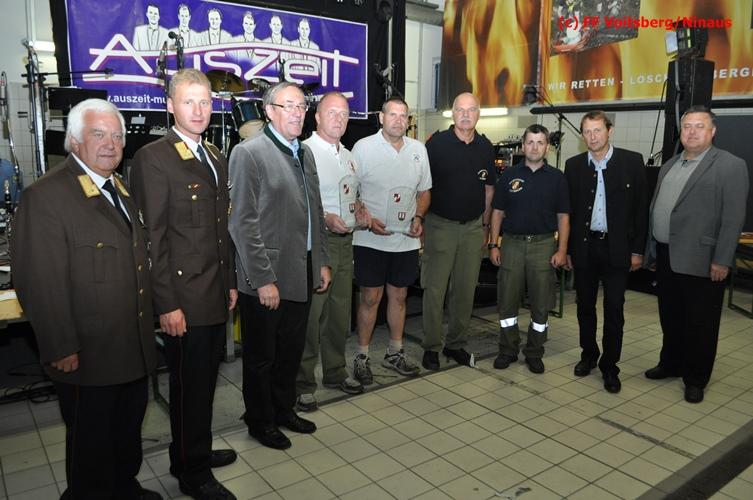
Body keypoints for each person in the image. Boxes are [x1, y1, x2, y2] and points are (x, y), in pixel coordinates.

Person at [11, 99, 161, 500]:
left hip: (130, 344)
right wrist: (60, 344)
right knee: (91, 443)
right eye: (98, 134)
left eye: (117, 136)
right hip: (87, 352)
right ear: (74, 141)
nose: (111, 144)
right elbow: (38, 280)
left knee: (126, 429)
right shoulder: (47, 196)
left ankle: (124, 488)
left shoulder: (118, 186)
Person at [130, 69, 237, 500]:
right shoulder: (154, 158)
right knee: (189, 388)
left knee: (205, 383)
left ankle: (193, 451)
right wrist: (166, 304)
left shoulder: (214, 154)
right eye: (189, 101)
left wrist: (230, 281)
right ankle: (193, 473)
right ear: (170, 105)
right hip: (184, 299)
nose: (198, 110)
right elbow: (152, 239)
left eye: (205, 101)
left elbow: (220, 231)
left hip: (214, 290)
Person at [228, 82, 331, 450]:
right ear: (269, 111)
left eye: (302, 106)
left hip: (301, 269)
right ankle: (260, 420)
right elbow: (242, 223)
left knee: (290, 349)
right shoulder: (249, 153)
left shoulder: (304, 152)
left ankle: (283, 409)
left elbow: (315, 210)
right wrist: (262, 279)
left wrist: (321, 261)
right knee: (261, 356)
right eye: (289, 106)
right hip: (266, 276)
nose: (298, 113)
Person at [644, 105, 749, 403]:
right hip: (666, 255)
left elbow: (733, 218)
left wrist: (722, 259)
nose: (691, 132)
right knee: (671, 316)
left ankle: (695, 378)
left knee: (701, 323)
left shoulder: (730, 165)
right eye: (687, 126)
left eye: (699, 126)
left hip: (703, 259)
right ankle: (671, 363)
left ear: (712, 131)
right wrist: (651, 249)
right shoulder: (671, 164)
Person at [564, 110, 647, 394]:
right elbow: (571, 213)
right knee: (584, 306)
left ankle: (610, 366)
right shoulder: (574, 165)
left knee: (614, 308)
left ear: (609, 131)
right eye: (587, 132)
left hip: (617, 249)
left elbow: (641, 210)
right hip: (585, 248)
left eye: (597, 130)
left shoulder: (631, 162)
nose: (592, 136)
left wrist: (637, 251)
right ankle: (589, 354)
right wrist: (569, 250)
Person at [350, 97, 432, 385]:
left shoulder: (418, 150)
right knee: (370, 297)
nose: (398, 120)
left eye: (403, 116)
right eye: (392, 114)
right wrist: (366, 217)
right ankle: (362, 356)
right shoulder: (363, 148)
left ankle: (394, 352)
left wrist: (419, 217)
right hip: (369, 238)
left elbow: (425, 191)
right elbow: (350, 191)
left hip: (405, 240)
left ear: (408, 121)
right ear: (381, 118)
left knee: (399, 296)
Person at [295, 92, 368, 412]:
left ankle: (335, 371)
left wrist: (360, 210)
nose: (339, 119)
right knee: (312, 316)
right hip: (317, 242)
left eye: (344, 113)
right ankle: (302, 383)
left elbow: (352, 195)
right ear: (317, 117)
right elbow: (297, 201)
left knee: (339, 311)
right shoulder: (304, 151)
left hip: (344, 241)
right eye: (332, 112)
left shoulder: (349, 156)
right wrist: (324, 218)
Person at [420, 92, 495, 370]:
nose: (465, 115)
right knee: (435, 290)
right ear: (452, 113)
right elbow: (422, 187)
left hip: (473, 229)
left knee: (464, 291)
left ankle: (456, 344)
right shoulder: (436, 144)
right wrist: (420, 222)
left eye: (471, 110)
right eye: (460, 110)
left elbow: (488, 190)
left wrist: (485, 225)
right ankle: (431, 346)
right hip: (440, 226)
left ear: (478, 114)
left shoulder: (485, 147)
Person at [489, 124, 570, 374]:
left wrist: (561, 250)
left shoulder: (557, 178)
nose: (535, 147)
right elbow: (497, 212)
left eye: (540, 142)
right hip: (511, 244)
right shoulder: (509, 175)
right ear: (523, 146)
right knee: (507, 302)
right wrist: (493, 244)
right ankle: (507, 349)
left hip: (543, 246)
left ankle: (535, 352)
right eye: (530, 142)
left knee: (541, 303)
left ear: (547, 147)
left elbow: (563, 217)